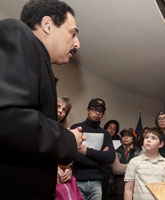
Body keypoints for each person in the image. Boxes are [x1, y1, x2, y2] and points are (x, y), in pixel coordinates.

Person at [0, 0, 84, 199]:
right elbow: (7, 118)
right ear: (47, 25)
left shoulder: (40, 61)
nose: (77, 43)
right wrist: (68, 139)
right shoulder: (16, 32)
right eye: (73, 33)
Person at [71, 98, 115, 200]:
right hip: (77, 179)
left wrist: (86, 151)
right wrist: (99, 158)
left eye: (101, 111)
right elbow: (73, 155)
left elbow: (110, 157)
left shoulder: (105, 134)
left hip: (97, 182)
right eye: (94, 109)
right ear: (87, 110)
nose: (97, 113)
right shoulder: (77, 128)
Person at [124, 127, 165, 200]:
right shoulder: (134, 162)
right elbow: (128, 188)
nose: (148, 140)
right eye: (146, 137)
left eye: (153, 138)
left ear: (161, 144)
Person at [111, 128, 140, 200]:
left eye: (129, 135)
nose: (125, 137)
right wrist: (134, 167)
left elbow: (141, 169)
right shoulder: (116, 151)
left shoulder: (139, 151)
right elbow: (116, 169)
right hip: (118, 189)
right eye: (123, 136)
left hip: (135, 189)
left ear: (133, 138)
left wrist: (123, 168)